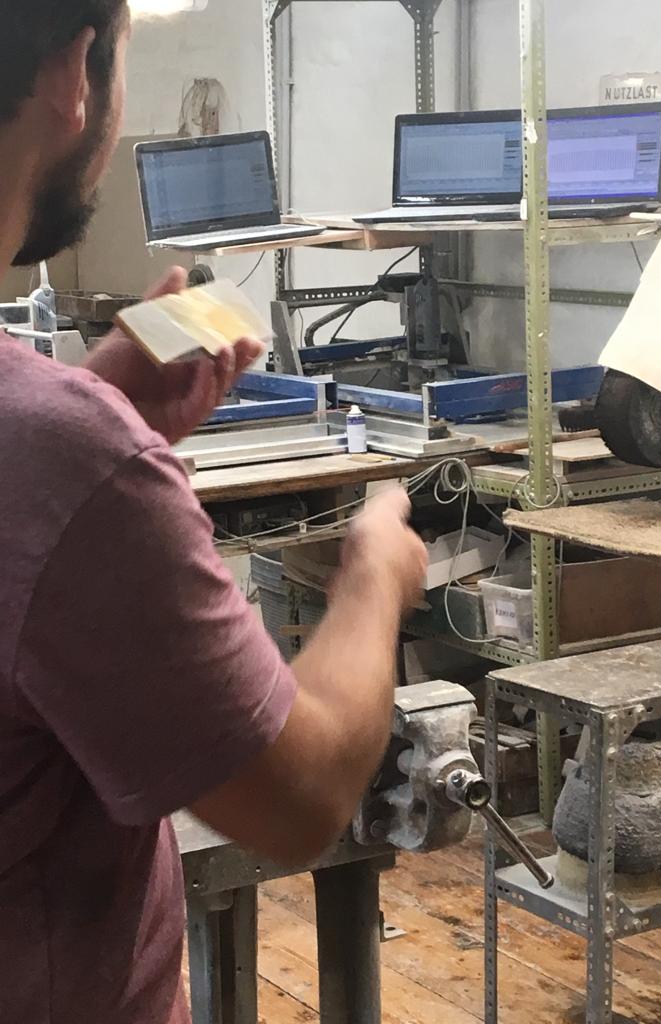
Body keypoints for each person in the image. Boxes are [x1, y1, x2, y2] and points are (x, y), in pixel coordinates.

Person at [0, 3, 427, 1022]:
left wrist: (87, 407)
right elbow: (300, 796)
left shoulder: (54, 448)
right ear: (74, 74)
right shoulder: (61, 459)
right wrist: (376, 573)